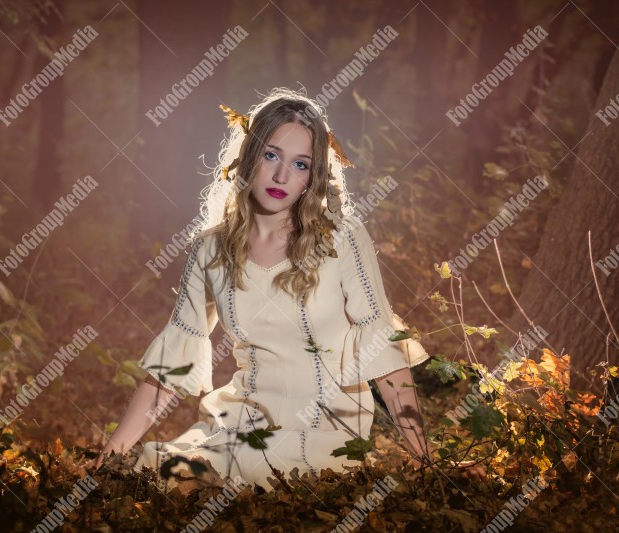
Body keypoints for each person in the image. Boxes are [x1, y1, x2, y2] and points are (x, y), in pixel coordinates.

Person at [90, 87, 480, 492]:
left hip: (327, 426)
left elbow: (382, 348)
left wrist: (427, 461)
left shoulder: (341, 239)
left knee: (246, 480)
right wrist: (108, 457)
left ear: (314, 176)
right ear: (249, 157)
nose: (281, 176)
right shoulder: (210, 250)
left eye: (300, 164)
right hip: (241, 420)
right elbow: (170, 368)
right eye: (271, 155)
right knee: (164, 472)